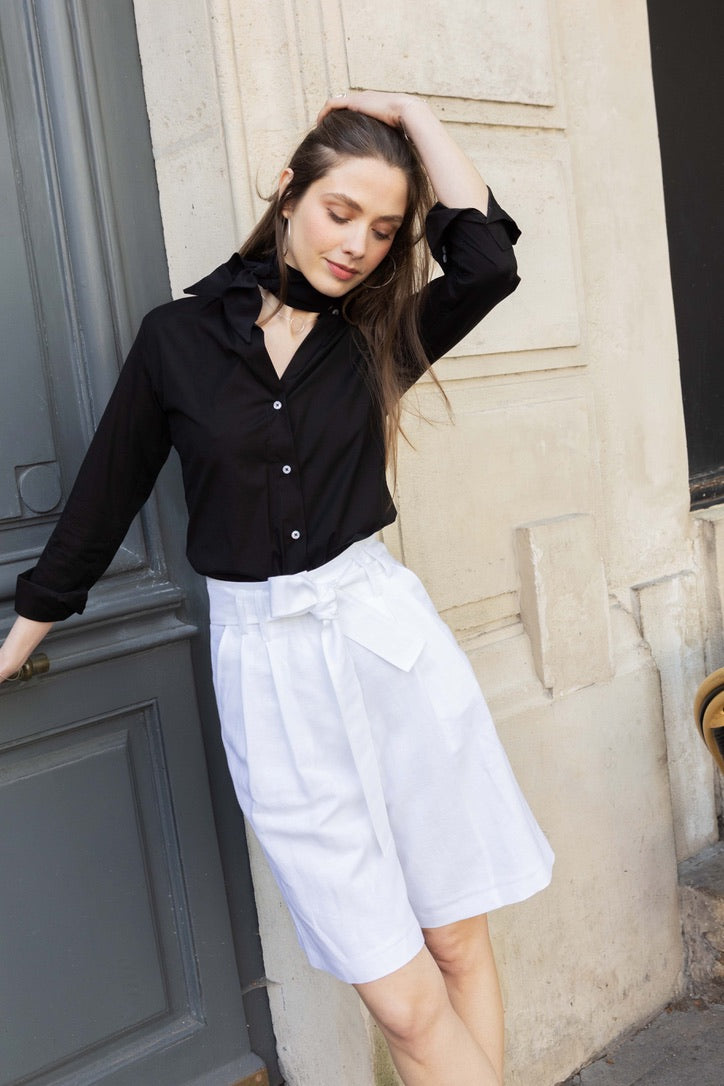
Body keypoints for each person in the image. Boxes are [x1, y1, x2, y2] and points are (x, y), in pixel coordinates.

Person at [0, 91, 553, 1086]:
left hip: (386, 641)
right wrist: (18, 640)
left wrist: (413, 115)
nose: (358, 246)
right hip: (268, 667)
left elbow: (488, 263)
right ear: (288, 192)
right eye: (341, 212)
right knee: (400, 999)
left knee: (457, 942)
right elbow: (104, 496)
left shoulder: (377, 338)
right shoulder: (176, 340)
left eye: (382, 230)